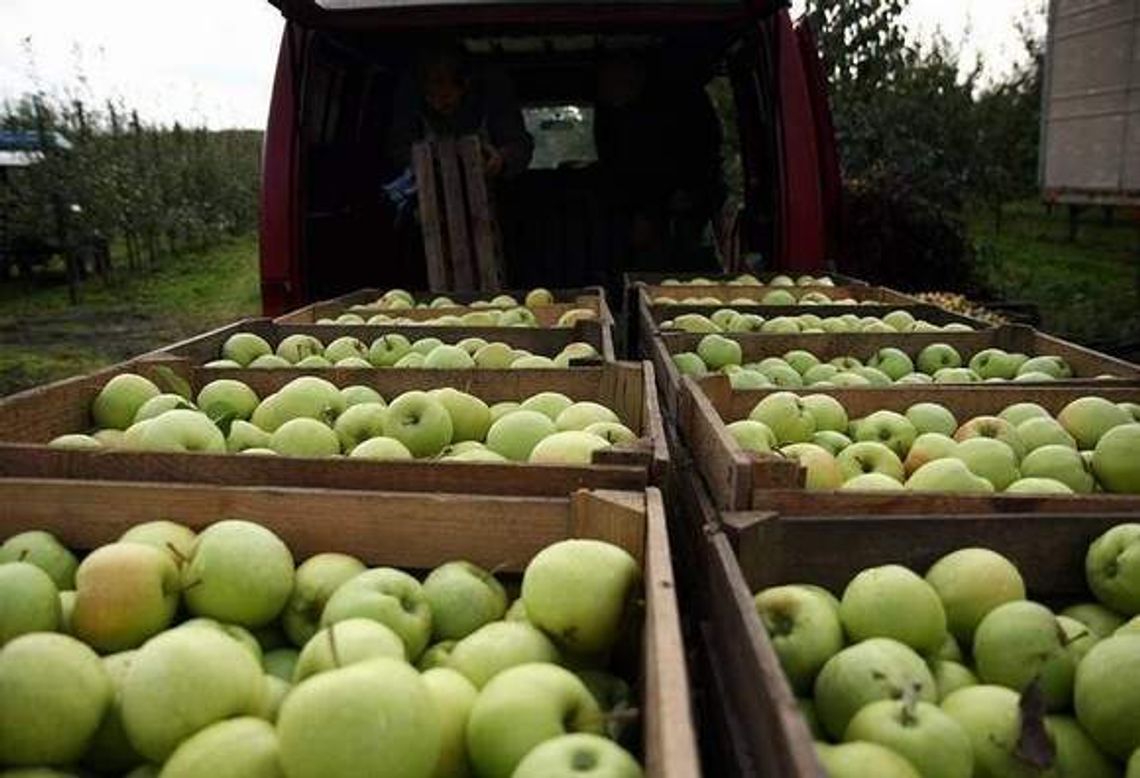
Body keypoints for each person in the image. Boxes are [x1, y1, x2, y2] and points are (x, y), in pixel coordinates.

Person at [594, 54, 725, 271]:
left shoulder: (672, 113)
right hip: (651, 206)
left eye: (612, 84)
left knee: (684, 261)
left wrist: (651, 212)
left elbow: (694, 157)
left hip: (685, 206)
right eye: (603, 86)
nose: (606, 92)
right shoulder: (616, 119)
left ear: (634, 79)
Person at [387, 42, 534, 179]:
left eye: (445, 96)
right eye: (430, 95)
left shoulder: (492, 98)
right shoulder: (410, 104)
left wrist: (500, 159)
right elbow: (399, 150)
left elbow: (519, 146)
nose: (437, 104)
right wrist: (426, 161)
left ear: (465, 84)